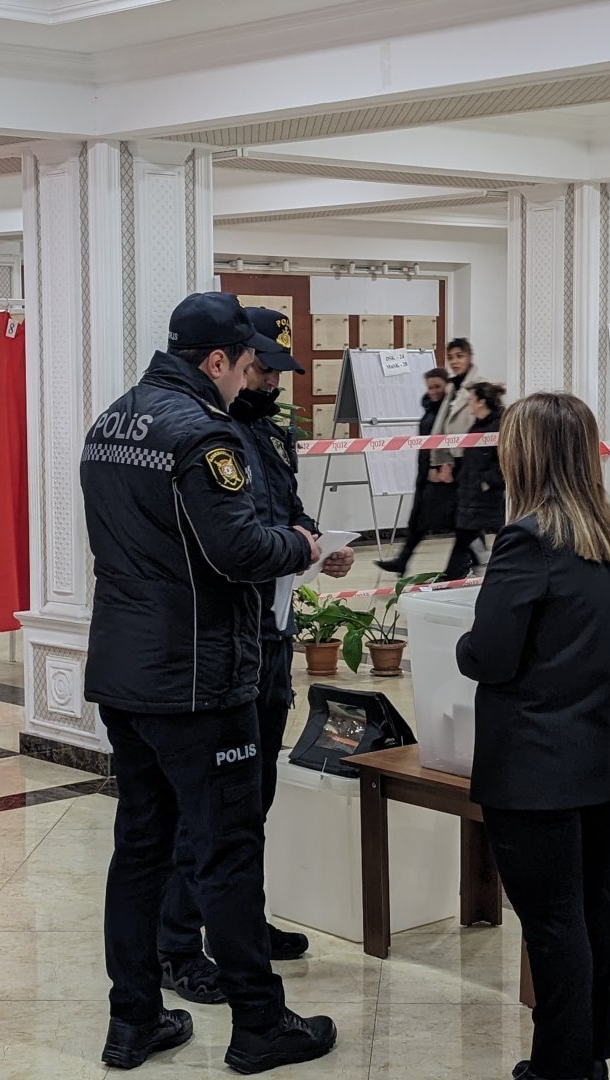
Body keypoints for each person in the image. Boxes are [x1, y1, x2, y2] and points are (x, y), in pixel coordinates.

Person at [81, 291, 337, 1074]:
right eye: (243, 367)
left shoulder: (112, 422)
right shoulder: (203, 434)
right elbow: (238, 552)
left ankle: (134, 1022)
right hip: (199, 679)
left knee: (140, 848)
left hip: (127, 675)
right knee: (227, 851)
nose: (248, 382)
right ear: (216, 362)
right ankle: (259, 1025)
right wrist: (301, 546)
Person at [155, 307, 355, 998]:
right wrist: (286, 545)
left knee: (253, 797)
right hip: (219, 642)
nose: (270, 381)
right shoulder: (205, 433)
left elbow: (290, 513)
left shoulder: (269, 436)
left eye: (277, 371)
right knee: (208, 806)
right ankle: (179, 945)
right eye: (261, 368)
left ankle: (240, 922)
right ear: (234, 361)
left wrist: (313, 545)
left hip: (270, 636)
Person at [455, 392, 610, 1080]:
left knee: (553, 924)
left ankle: (559, 1070)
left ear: (524, 455)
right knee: (596, 909)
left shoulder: (528, 539)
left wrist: (464, 650)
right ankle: (587, 1056)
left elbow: (491, 656)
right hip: (596, 758)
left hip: (531, 769)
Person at [376, 366, 453, 574]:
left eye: (438, 386)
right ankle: (402, 561)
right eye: (430, 387)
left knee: (460, 526)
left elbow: (450, 441)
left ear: (447, 385)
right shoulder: (430, 408)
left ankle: (466, 563)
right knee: (417, 520)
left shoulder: (450, 410)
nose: (433, 391)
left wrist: (442, 467)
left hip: (442, 477)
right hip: (425, 472)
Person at [441, 381, 506, 582]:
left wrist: (488, 481)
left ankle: (457, 575)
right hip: (470, 492)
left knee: (489, 533)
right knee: (465, 535)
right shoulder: (477, 426)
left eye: (471, 399)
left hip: (486, 494)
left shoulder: (497, 426)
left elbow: (504, 460)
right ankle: (459, 574)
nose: (469, 402)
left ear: (481, 401)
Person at [427, 337, 481, 482]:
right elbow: (443, 424)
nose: (454, 362)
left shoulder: (479, 387)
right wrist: (441, 461)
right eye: (450, 358)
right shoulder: (452, 387)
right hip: (452, 458)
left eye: (459, 356)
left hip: (472, 458)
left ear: (469, 357)